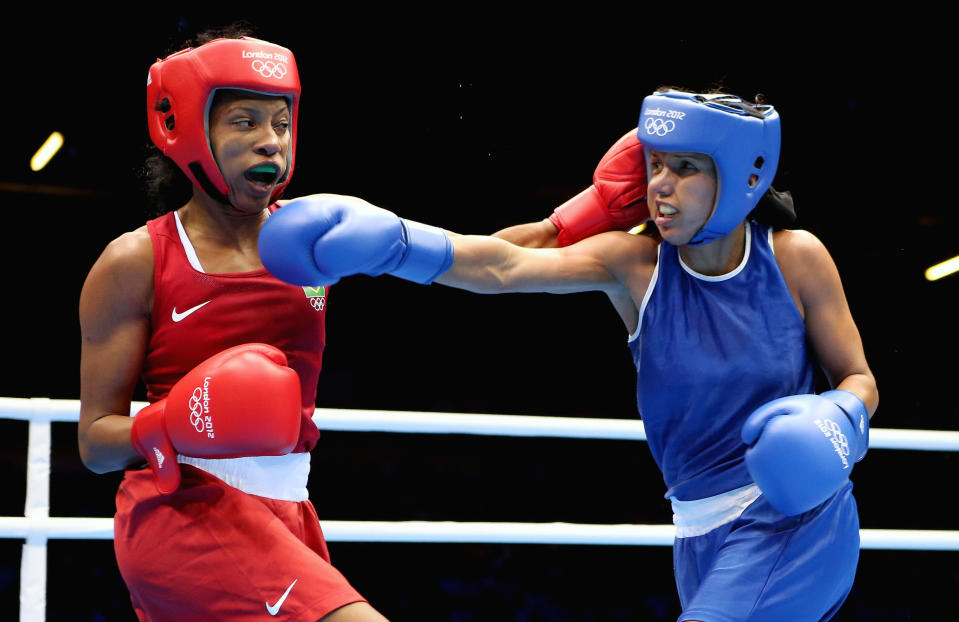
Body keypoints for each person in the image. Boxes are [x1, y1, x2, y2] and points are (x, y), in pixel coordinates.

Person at [257, 88, 878, 621]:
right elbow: (500, 266)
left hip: (797, 516)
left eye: (685, 168)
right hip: (697, 532)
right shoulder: (633, 265)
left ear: (746, 175)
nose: (660, 187)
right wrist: (394, 243)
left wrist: (839, 418)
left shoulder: (796, 257)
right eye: (655, 166)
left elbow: (858, 376)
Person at [78, 29, 390, 621]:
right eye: (244, 122)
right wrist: (176, 420)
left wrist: (585, 214)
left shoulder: (312, 244)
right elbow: (95, 443)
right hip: (185, 507)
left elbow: (472, 258)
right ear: (189, 128)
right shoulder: (137, 260)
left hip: (289, 508)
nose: (270, 142)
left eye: (281, 123)